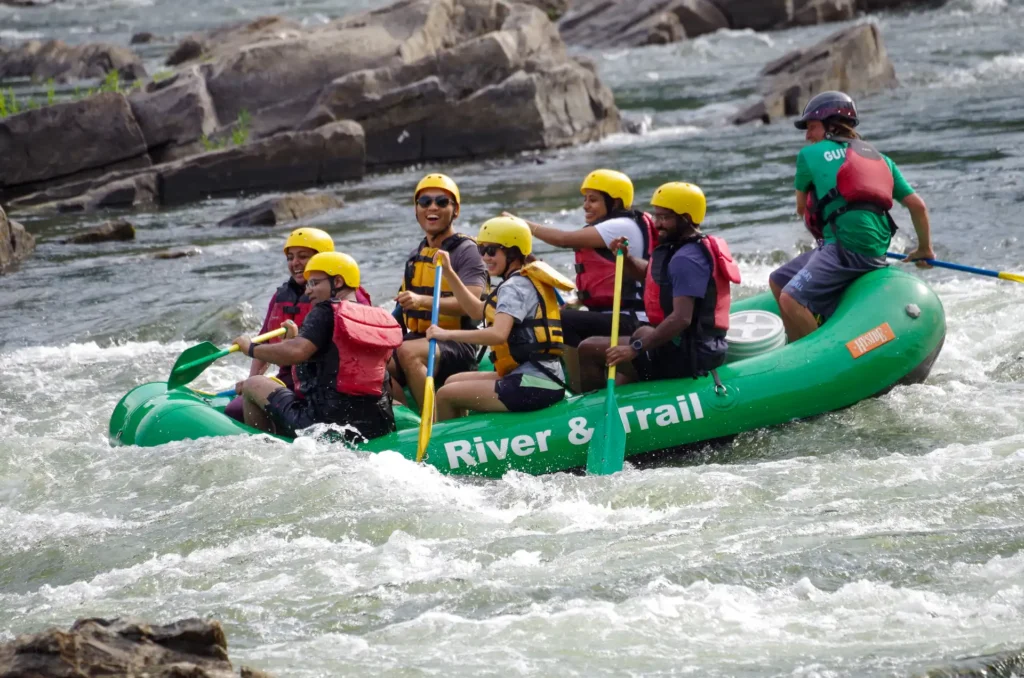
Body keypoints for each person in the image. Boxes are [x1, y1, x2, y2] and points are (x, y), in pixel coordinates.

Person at [769, 90, 935, 342]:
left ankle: (818, 356)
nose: (807, 135)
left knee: (790, 298)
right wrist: (925, 249)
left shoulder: (808, 155)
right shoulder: (880, 158)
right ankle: (796, 345)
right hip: (871, 250)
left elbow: (802, 209)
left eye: (811, 127)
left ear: (830, 126)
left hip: (843, 249)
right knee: (778, 279)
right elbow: (918, 206)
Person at [578, 182, 740, 391]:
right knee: (641, 332)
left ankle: (589, 413)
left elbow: (681, 318)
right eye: (656, 216)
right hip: (684, 345)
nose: (657, 223)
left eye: (665, 218)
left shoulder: (687, 259)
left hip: (690, 356)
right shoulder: (679, 247)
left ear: (686, 219)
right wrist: (626, 258)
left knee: (589, 348)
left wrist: (634, 349)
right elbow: (650, 275)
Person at [505, 168, 657, 389]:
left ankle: (579, 389)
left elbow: (564, 239)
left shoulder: (620, 226)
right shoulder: (620, 224)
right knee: (567, 314)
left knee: (562, 320)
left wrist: (521, 225)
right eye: (585, 199)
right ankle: (588, 377)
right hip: (617, 314)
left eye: (593, 200)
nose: (586, 206)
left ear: (614, 202)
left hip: (632, 320)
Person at [232, 252, 402, 442]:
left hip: (325, 424)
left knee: (254, 383)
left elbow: (297, 352)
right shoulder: (378, 317)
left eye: (314, 283)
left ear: (337, 282)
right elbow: (334, 358)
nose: (307, 291)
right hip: (378, 425)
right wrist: (293, 339)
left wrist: (250, 348)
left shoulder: (326, 310)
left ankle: (265, 450)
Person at [424, 216, 575, 421]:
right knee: (452, 381)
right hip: (537, 376)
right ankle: (463, 436)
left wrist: (445, 334)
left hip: (535, 384)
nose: (485, 257)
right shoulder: (520, 280)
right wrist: (450, 272)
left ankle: (445, 447)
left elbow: (497, 334)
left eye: (492, 250)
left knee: (444, 395)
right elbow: (478, 311)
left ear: (513, 252)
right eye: (481, 249)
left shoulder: (514, 287)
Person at [225, 228, 371, 422]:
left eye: (303, 256)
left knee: (238, 408)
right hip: (291, 378)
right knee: (236, 409)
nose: (295, 263)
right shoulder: (281, 296)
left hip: (330, 383)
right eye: (290, 257)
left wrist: (253, 348)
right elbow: (266, 340)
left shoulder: (349, 298)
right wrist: (251, 380)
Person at [389, 173, 489, 410]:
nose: (432, 207)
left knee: (407, 352)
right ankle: (405, 422)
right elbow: (400, 312)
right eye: (425, 202)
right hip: (419, 337)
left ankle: (435, 425)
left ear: (456, 210)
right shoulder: (416, 255)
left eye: (442, 202)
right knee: (371, 363)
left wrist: (422, 301)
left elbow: (474, 305)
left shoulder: (467, 251)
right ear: (416, 210)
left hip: (458, 342)